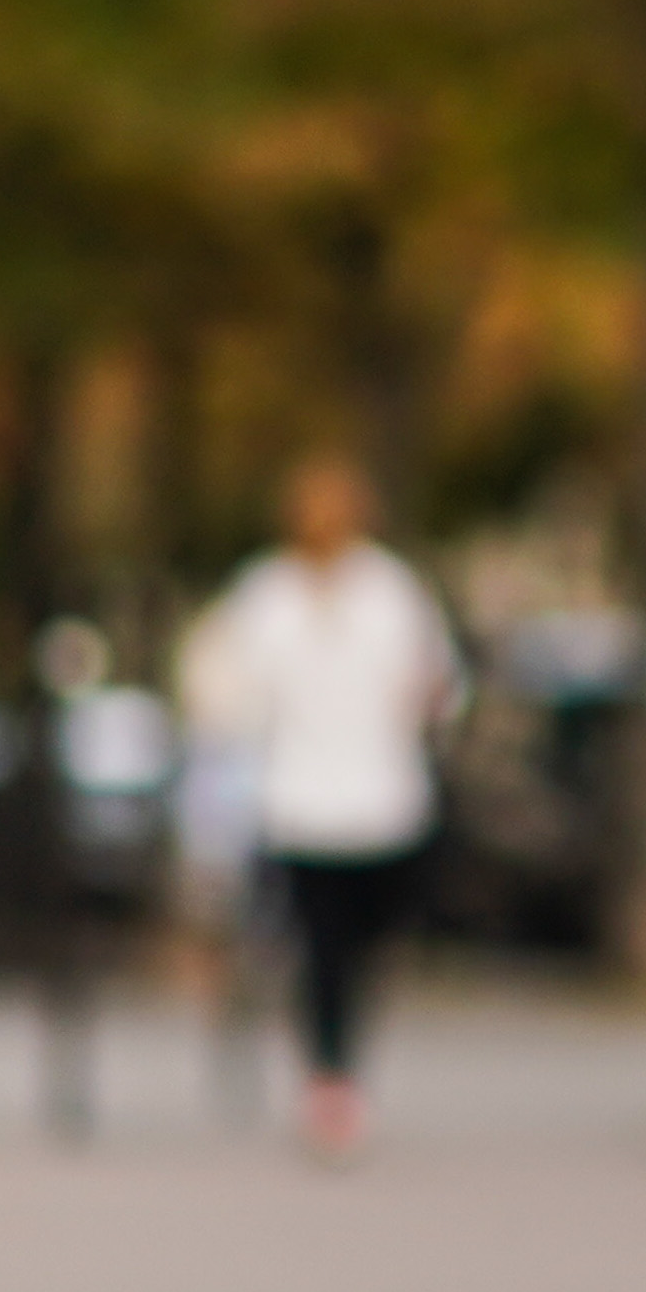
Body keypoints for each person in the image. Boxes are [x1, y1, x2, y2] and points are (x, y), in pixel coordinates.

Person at [180, 454, 456, 1161]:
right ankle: (331, 1075)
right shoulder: (269, 595)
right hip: (301, 800)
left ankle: (335, 1066)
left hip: (382, 799)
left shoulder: (389, 591)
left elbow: (435, 681)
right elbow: (229, 691)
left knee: (361, 942)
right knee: (324, 946)